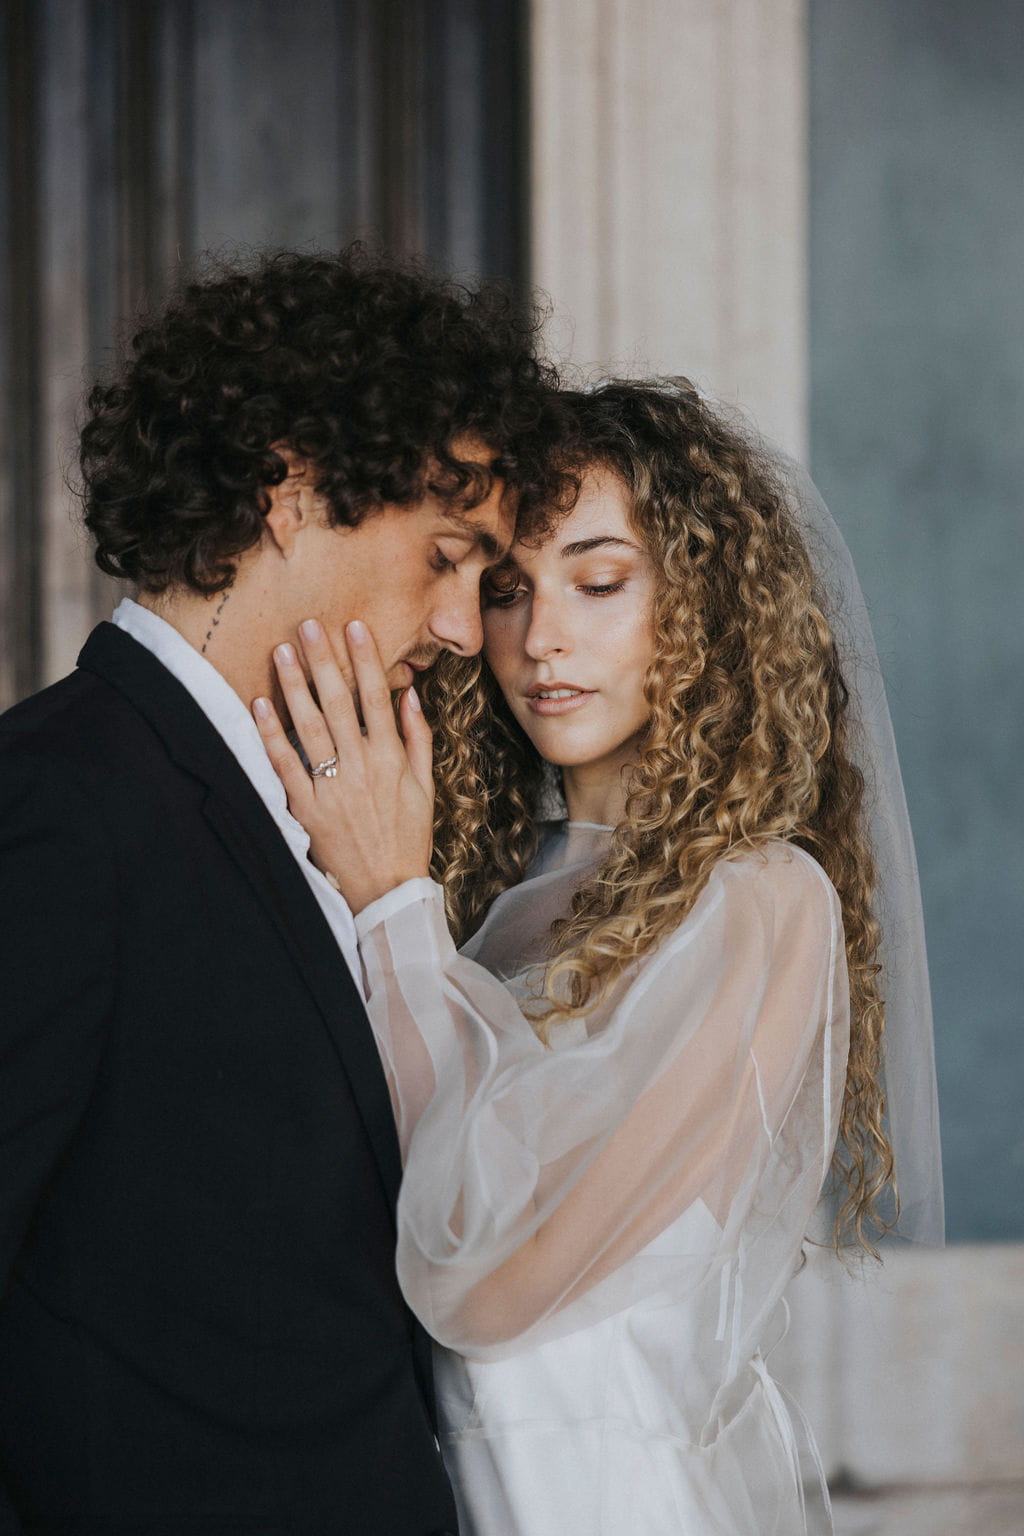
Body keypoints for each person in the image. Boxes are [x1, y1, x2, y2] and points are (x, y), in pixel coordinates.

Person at [254, 380, 944, 1536]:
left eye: (602, 581)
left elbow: (488, 1286)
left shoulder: (762, 901)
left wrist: (390, 907)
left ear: (707, 608)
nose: (543, 639)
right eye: (509, 590)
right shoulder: (494, 905)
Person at [0, 245, 570, 1533]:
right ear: (290, 486)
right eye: (446, 557)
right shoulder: (57, 806)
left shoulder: (329, 818)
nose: (465, 632)